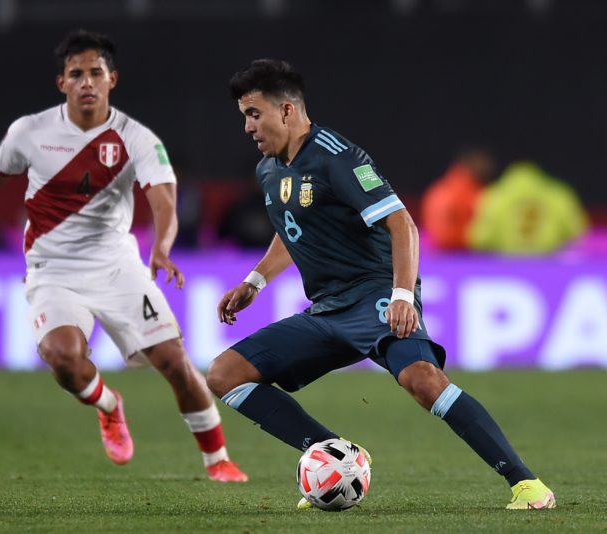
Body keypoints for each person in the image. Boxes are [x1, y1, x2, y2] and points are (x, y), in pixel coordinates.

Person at [205, 59, 554, 509]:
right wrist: (255, 281)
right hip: (326, 309)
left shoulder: (336, 156)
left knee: (423, 380)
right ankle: (341, 458)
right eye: (244, 117)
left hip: (374, 295)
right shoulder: (269, 169)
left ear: (287, 110)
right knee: (224, 374)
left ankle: (527, 485)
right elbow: (294, 231)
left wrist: (402, 295)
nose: (248, 127)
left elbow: (401, 222)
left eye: (254, 114)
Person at [0, 30, 247, 482]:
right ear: (62, 83)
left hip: (117, 268)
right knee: (62, 357)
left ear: (112, 78)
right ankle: (109, 406)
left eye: (96, 72)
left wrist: (163, 245)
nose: (87, 81)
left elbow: (164, 198)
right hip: (52, 271)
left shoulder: (136, 138)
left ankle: (218, 460)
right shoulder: (29, 132)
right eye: (76, 74)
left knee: (174, 361)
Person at [468, 161, 588, 254]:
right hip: (549, 269)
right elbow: (578, 233)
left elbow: (480, 239)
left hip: (507, 270)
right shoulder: (559, 194)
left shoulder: (495, 195)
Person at [420, 146, 495, 250]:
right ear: (469, 163)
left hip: (438, 251)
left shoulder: (437, 189)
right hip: (458, 254)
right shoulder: (473, 194)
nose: (487, 165)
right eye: (481, 161)